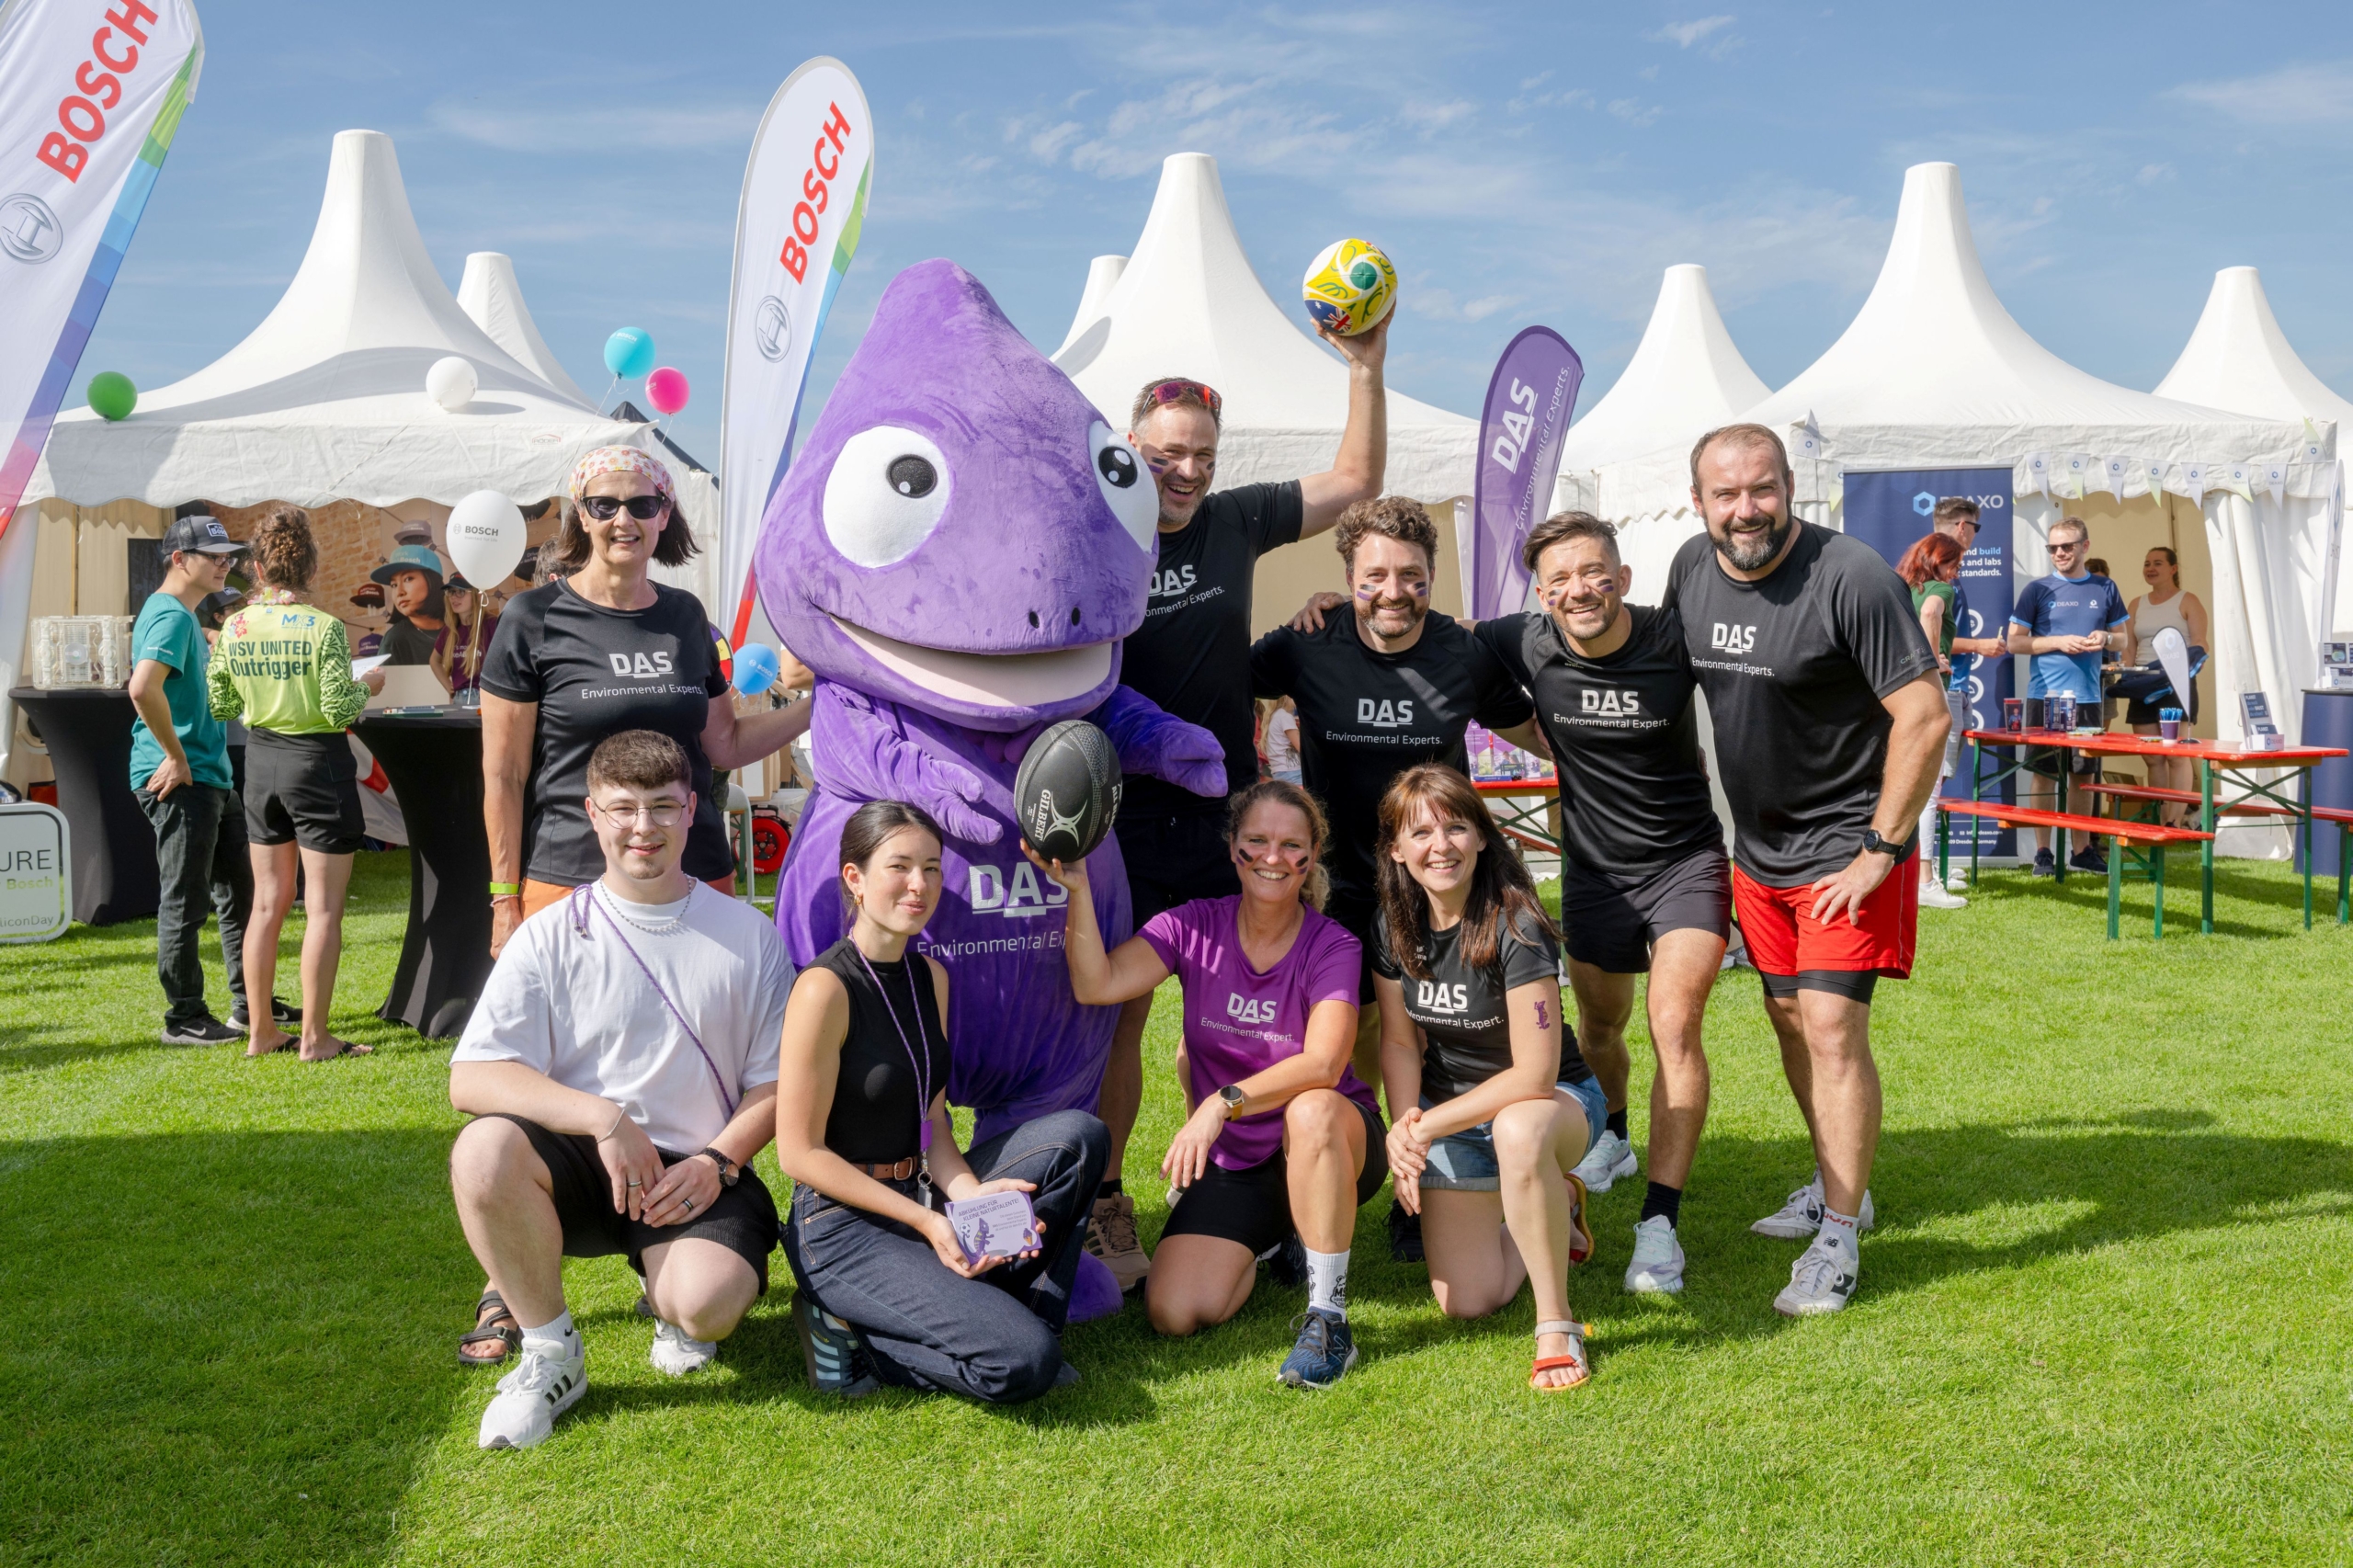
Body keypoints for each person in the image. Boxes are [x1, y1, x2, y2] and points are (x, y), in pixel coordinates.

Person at [1093, 319, 1390, 1292]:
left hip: (1229, 815)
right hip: (1126, 816)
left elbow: (1353, 482)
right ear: (1129, 447)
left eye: (1201, 457)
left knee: (1255, 1000)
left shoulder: (1239, 519)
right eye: (1165, 452)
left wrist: (1363, 366)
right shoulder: (1092, 521)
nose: (1184, 471)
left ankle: (1305, 1175)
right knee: (1123, 1021)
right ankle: (1106, 1202)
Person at [1661, 424, 1949, 1316]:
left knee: (1828, 1024)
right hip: (1758, 849)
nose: (1745, 508)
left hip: (1845, 848)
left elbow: (1925, 715)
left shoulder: (1851, 575)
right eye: (1725, 493)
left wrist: (1881, 847)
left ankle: (1836, 1234)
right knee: (1786, 1016)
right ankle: (1841, 1186)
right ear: (1698, 498)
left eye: (1761, 488)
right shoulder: (1690, 568)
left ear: (1790, 486)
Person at [449, 730, 791, 1449]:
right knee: (483, 1152)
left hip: (695, 1172)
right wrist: (603, 1119)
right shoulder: (546, 935)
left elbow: (775, 1084)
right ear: (593, 814)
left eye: (664, 807)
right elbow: (471, 1077)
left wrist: (718, 1162)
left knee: (708, 1308)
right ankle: (551, 1352)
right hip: (583, 1164)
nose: (645, 828)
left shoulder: (748, 934)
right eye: (625, 808)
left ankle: (669, 1298)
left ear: (693, 809)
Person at [1029, 780, 1385, 1389]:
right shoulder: (1193, 925)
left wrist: (1222, 1104)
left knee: (1313, 1111)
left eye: (1291, 845)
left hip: (1331, 1140)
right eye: (1258, 842)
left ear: (1312, 853)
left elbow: (1325, 1064)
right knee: (1174, 1311)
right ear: (1233, 849)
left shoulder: (1334, 944)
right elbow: (1098, 983)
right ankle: (1277, 1236)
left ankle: (1328, 1318)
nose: (1273, 858)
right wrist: (1079, 891)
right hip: (1243, 1163)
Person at [1471, 511, 1728, 1296]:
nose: (1579, 590)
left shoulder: (1673, 637)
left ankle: (1660, 1222)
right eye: (1560, 581)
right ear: (1542, 596)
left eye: (1593, 574)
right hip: (1593, 876)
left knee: (1674, 1023)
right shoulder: (1521, 640)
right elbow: (1451, 641)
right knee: (1603, 1028)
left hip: (1686, 863)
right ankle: (1613, 1133)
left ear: (1620, 577)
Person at [777, 800, 1108, 1403]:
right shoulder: (823, 989)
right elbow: (799, 1155)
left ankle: (1002, 1311)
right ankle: (851, 1330)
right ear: (854, 878)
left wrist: (967, 1195)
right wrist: (928, 1222)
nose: (919, 884)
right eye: (899, 866)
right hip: (842, 1227)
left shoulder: (932, 977)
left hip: (922, 1192)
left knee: (1077, 1139)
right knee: (1025, 1365)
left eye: (931, 868)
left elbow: (931, 1125)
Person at [480, 447, 811, 953]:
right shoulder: (532, 618)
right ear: (581, 516)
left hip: (693, 871)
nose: (623, 519)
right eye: (603, 505)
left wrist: (821, 705)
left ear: (663, 515)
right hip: (574, 876)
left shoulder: (685, 615)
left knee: (707, 1029)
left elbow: (725, 745)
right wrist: (504, 899)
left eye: (641, 504)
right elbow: (505, 774)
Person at [1371, 764, 1605, 1390]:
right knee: (1466, 1301)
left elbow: (1534, 1074)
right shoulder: (1393, 927)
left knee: (1518, 1129)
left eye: (1455, 827)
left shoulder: (1517, 925)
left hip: (1553, 1105)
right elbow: (1398, 1041)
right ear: (1397, 849)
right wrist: (1404, 1125)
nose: (1439, 846)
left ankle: (1556, 1324)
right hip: (1453, 1115)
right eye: (1420, 833)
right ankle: (1557, 1203)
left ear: (1481, 836)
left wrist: (1426, 1129)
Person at [206, 506, 385, 1060]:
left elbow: (223, 703)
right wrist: (371, 686)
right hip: (316, 764)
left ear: (257, 569)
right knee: (324, 908)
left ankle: (260, 1032)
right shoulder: (325, 628)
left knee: (266, 904)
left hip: (260, 764)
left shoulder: (233, 627)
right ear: (309, 567)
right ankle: (314, 1037)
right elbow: (337, 708)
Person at [128, 514, 256, 1046]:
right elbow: (141, 689)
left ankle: (251, 1003)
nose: (226, 564)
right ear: (180, 560)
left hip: (210, 776)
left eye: (229, 556)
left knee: (240, 896)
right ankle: (184, 1017)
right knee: (187, 900)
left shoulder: (183, 616)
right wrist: (176, 758)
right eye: (215, 556)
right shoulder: (173, 618)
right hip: (184, 779)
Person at [2006, 516, 2129, 877]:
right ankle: (2043, 852)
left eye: (2066, 546)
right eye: (2053, 547)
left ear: (2084, 547)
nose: (2059, 553)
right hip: (2045, 697)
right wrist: (2057, 642)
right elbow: (2015, 642)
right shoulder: (2037, 590)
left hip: (2088, 698)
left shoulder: (2104, 588)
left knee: (2082, 775)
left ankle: (2082, 850)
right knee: (2044, 773)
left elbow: (2123, 639)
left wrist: (2106, 639)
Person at [1897, 531, 1973, 911]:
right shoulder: (1940, 591)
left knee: (1908, 785)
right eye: (1954, 565)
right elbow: (1931, 614)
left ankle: (1916, 872)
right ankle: (1925, 879)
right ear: (1937, 561)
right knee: (1929, 788)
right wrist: (1932, 658)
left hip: (1901, 690)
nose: (1956, 574)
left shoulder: (1906, 587)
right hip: (1932, 690)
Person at [2126, 546, 2209, 821]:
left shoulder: (2188, 600)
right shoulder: (2137, 603)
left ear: (2173, 569)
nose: (2150, 568)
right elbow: (2130, 647)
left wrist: (2190, 665)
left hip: (2175, 684)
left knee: (2176, 754)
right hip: (2143, 684)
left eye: (2158, 563)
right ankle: (2159, 818)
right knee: (2151, 755)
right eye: (2147, 563)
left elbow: (2200, 642)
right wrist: (2127, 675)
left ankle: (2176, 819)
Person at [374, 543, 449, 676]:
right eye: (394, 585)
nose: (399, 592)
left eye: (408, 579)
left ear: (432, 580)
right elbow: (386, 692)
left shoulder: (462, 628)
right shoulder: (396, 639)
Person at [436, 573, 500, 699]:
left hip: (487, 698)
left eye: (461, 592)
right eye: (451, 592)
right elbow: (434, 661)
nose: (454, 597)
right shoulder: (450, 630)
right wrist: (447, 685)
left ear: (477, 595)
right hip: (459, 699)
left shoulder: (492, 624)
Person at [1263, 695, 1302, 786]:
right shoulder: (1285, 717)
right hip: (1292, 772)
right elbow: (1301, 747)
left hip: (1280, 771)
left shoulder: (1274, 715)